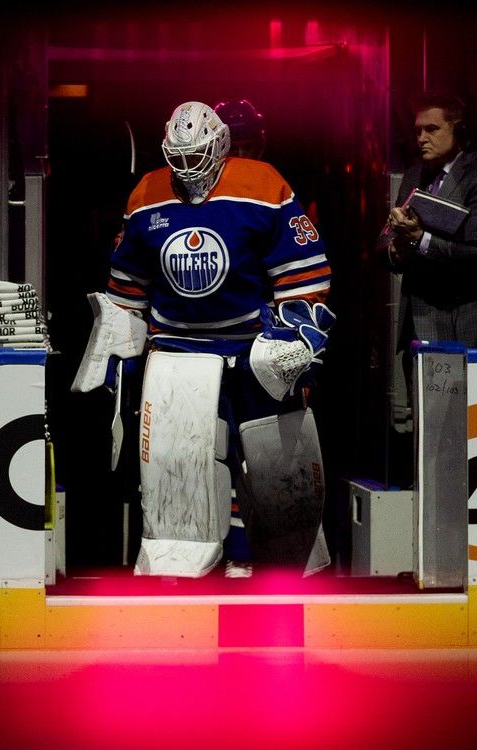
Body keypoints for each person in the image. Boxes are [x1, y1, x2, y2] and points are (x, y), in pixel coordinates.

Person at [72, 101, 334, 579]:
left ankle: (277, 561)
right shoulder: (146, 193)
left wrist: (298, 335)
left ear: (220, 147)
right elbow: (126, 290)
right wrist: (117, 353)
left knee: (271, 467)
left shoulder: (262, 183)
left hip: (253, 349)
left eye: (197, 158)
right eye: (179, 158)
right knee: (181, 462)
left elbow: (303, 274)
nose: (188, 170)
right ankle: (186, 563)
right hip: (177, 351)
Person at [380, 91, 477, 367]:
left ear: (460, 130)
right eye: (417, 131)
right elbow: (386, 243)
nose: (421, 138)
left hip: (461, 317)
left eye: (432, 129)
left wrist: (421, 238)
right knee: (421, 406)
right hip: (418, 318)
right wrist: (397, 249)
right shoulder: (415, 174)